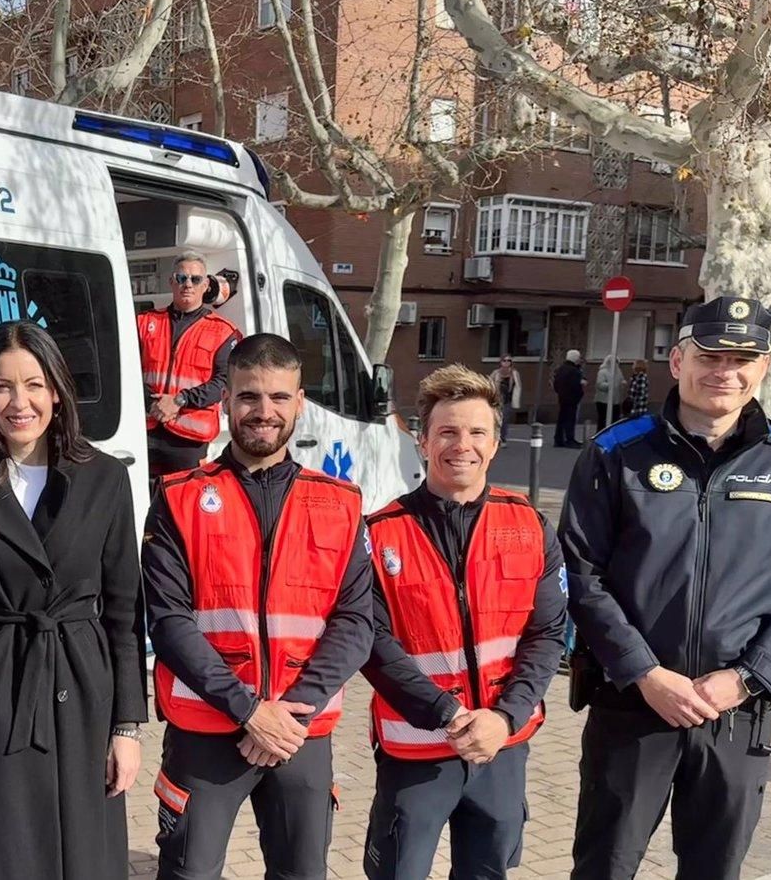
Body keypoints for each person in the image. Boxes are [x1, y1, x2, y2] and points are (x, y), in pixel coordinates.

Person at [561, 296, 771, 880]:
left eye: (743, 357)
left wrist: (747, 678)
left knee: (716, 868)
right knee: (604, 865)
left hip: (734, 709)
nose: (725, 370)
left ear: (762, 368)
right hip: (634, 703)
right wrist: (645, 673)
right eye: (710, 355)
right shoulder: (616, 453)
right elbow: (581, 572)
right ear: (677, 361)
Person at [0, 321, 144, 880]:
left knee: (85, 855)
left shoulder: (103, 477)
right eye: (2, 387)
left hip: (84, 688)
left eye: (34, 385)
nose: (20, 403)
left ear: (56, 390)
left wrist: (127, 726)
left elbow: (126, 612)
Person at [143, 333, 374, 880]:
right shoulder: (178, 497)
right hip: (206, 728)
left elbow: (356, 622)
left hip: (301, 731)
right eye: (249, 396)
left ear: (299, 403)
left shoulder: (341, 504)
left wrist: (288, 715)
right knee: (188, 874)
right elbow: (169, 621)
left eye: (278, 397)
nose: (263, 412)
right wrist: (250, 711)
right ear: (227, 401)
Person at [359, 364, 567, 880]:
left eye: (477, 432)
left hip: (503, 743)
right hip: (417, 749)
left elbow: (546, 635)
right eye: (447, 432)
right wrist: (449, 714)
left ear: (496, 443)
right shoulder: (378, 533)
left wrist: (504, 718)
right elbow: (372, 643)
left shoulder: (530, 525)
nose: (462, 445)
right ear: (423, 441)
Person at [139, 250, 242, 481]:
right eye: (181, 278)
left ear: (205, 285)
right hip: (146, 430)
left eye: (195, 279)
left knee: (184, 507)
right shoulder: (145, 322)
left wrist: (179, 400)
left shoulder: (224, 332)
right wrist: (151, 403)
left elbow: (224, 382)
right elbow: (127, 372)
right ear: (171, 282)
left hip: (189, 441)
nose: (188, 284)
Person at [553, 349, 586, 448]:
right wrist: (580, 389)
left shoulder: (561, 369)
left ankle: (558, 439)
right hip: (572, 398)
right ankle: (569, 439)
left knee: (562, 418)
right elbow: (576, 385)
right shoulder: (574, 371)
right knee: (570, 419)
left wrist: (560, 392)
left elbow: (556, 384)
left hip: (562, 397)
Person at [488, 355, 522, 442]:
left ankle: (502, 438)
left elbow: (518, 386)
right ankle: (495, 436)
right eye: (504, 360)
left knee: (504, 419)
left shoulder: (514, 373)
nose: (506, 362)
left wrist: (516, 399)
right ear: (501, 362)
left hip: (508, 400)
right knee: (496, 419)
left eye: (509, 360)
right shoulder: (496, 373)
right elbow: (489, 384)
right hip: (497, 399)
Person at [592, 354, 624, 430]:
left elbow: (621, 380)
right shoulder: (603, 372)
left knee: (615, 419)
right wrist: (610, 385)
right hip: (603, 400)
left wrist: (622, 382)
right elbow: (600, 384)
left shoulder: (618, 372)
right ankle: (600, 434)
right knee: (603, 419)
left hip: (615, 400)